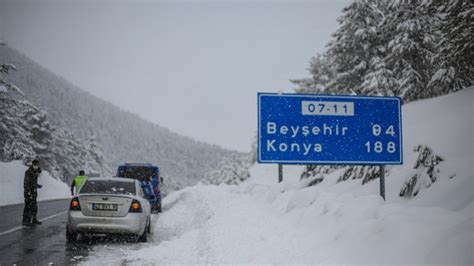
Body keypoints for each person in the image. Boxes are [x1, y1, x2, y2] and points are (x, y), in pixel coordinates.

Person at [22, 159, 43, 226]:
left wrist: (37, 186)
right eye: (35, 165)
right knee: (28, 206)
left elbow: (33, 182)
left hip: (34, 192)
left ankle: (34, 219)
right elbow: (26, 183)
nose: (36, 166)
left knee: (34, 206)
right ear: (32, 165)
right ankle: (25, 221)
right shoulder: (28, 172)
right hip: (28, 192)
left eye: (37, 165)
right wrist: (28, 191)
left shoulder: (35, 172)